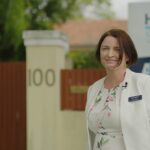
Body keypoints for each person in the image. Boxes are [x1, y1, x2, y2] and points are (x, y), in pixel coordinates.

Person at [85, 28, 150, 150]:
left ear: (128, 55)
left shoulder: (144, 84)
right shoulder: (93, 89)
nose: (110, 54)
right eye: (105, 49)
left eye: (117, 49)